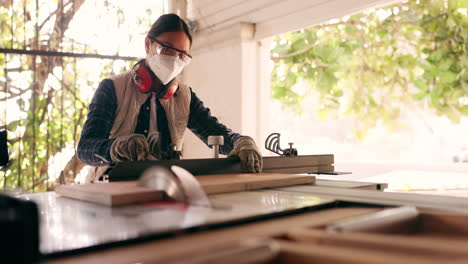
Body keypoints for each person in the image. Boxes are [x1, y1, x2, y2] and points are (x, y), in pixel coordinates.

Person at [77, 14, 263, 182]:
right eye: (167, 49)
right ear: (148, 44)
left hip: (165, 189)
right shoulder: (112, 88)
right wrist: (115, 148)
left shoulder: (184, 97)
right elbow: (85, 149)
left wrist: (241, 142)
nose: (175, 58)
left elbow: (216, 134)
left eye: (182, 54)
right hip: (111, 188)